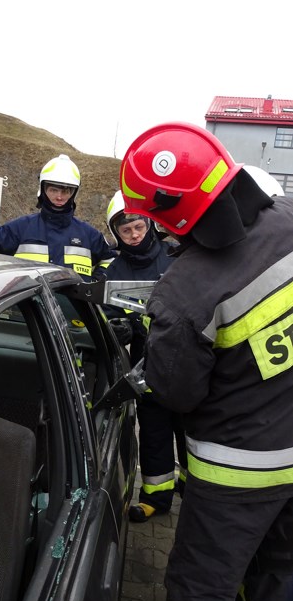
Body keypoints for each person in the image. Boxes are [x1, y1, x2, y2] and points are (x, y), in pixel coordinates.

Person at [119, 122, 293, 601]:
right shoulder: (290, 220)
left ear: (164, 216)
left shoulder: (185, 291)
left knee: (203, 590)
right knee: (279, 574)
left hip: (238, 471)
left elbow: (176, 394)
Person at [104, 190, 186, 520]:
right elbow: (107, 314)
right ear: (116, 234)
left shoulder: (176, 254)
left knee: (191, 431)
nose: (135, 235)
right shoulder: (114, 271)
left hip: (187, 362)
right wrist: (119, 327)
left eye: (139, 227)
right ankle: (155, 498)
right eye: (126, 231)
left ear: (149, 223)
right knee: (154, 432)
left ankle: (193, 489)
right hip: (146, 365)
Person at [0, 153, 116, 281]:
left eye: (66, 191)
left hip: (74, 303)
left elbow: (111, 260)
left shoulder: (89, 235)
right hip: (30, 302)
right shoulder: (21, 228)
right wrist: (1, 281)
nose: (59, 197)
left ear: (74, 193)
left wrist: (95, 284)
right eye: (54, 190)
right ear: (43, 189)